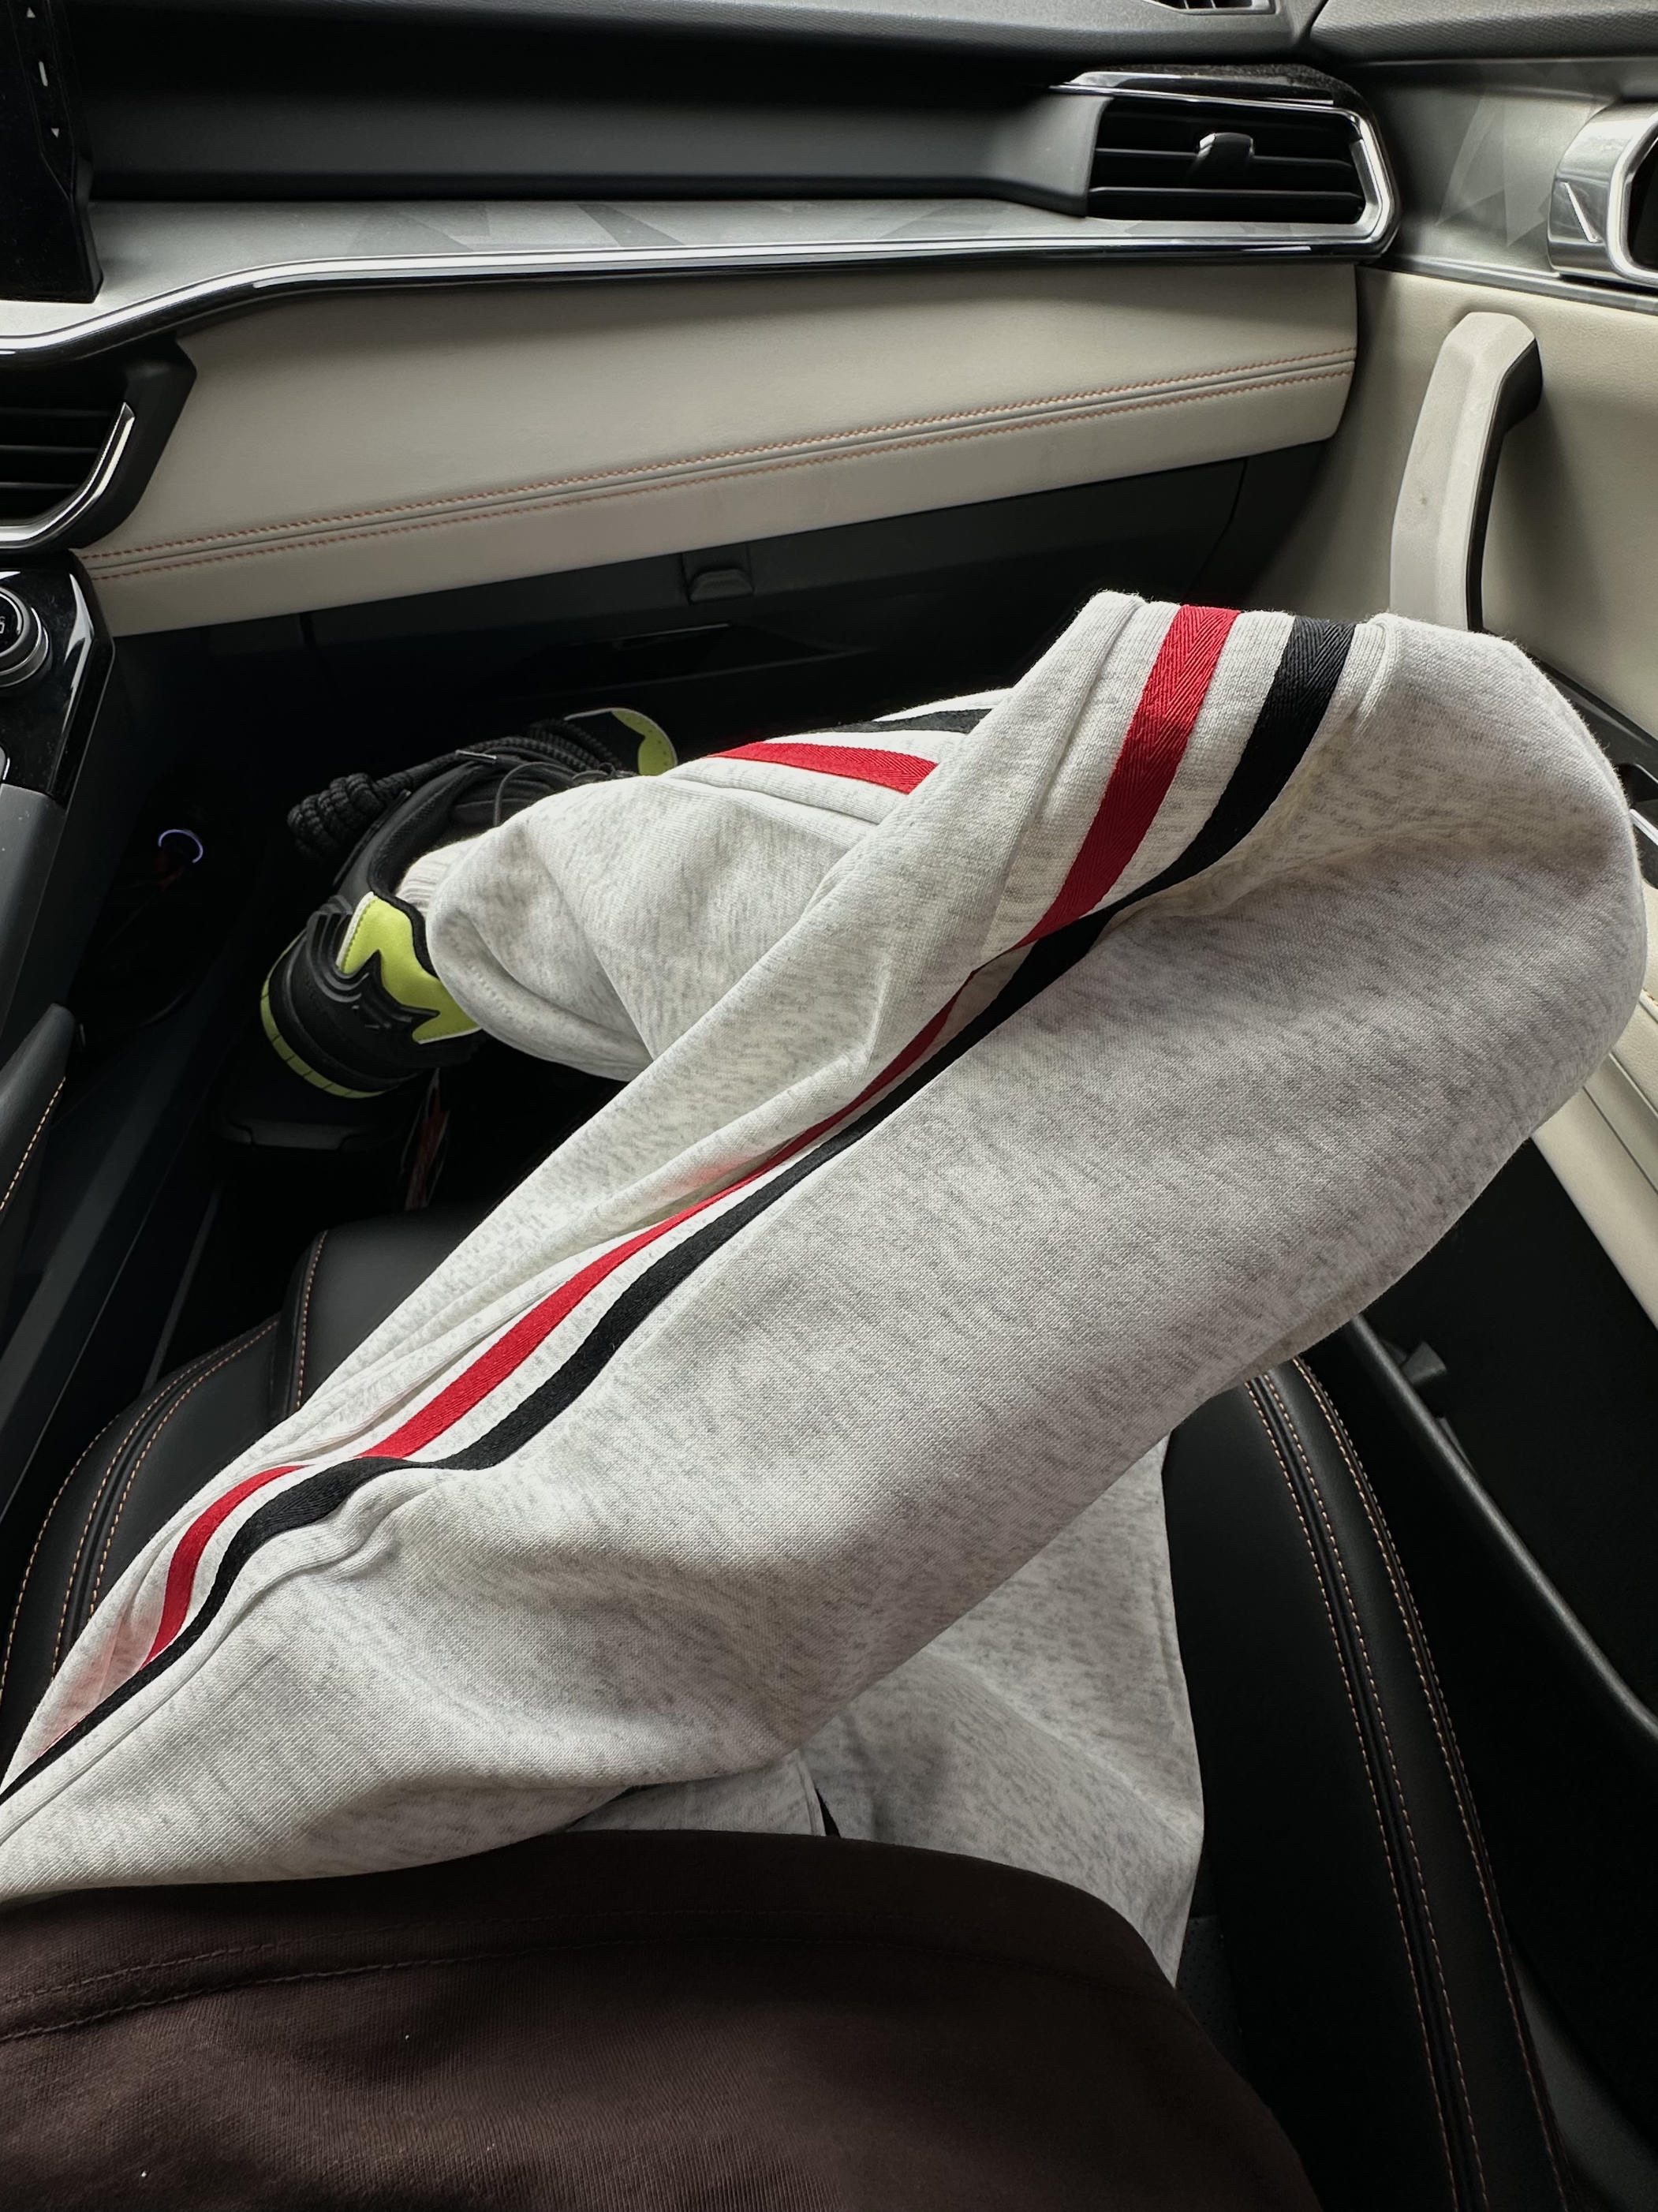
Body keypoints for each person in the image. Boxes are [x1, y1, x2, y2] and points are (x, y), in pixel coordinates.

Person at [0, 592, 1639, 1988]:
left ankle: (433, 919)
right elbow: (1448, 815)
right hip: (1012, 2035)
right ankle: (463, 911)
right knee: (1420, 844)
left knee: (1396, 833)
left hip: (252, 1955)